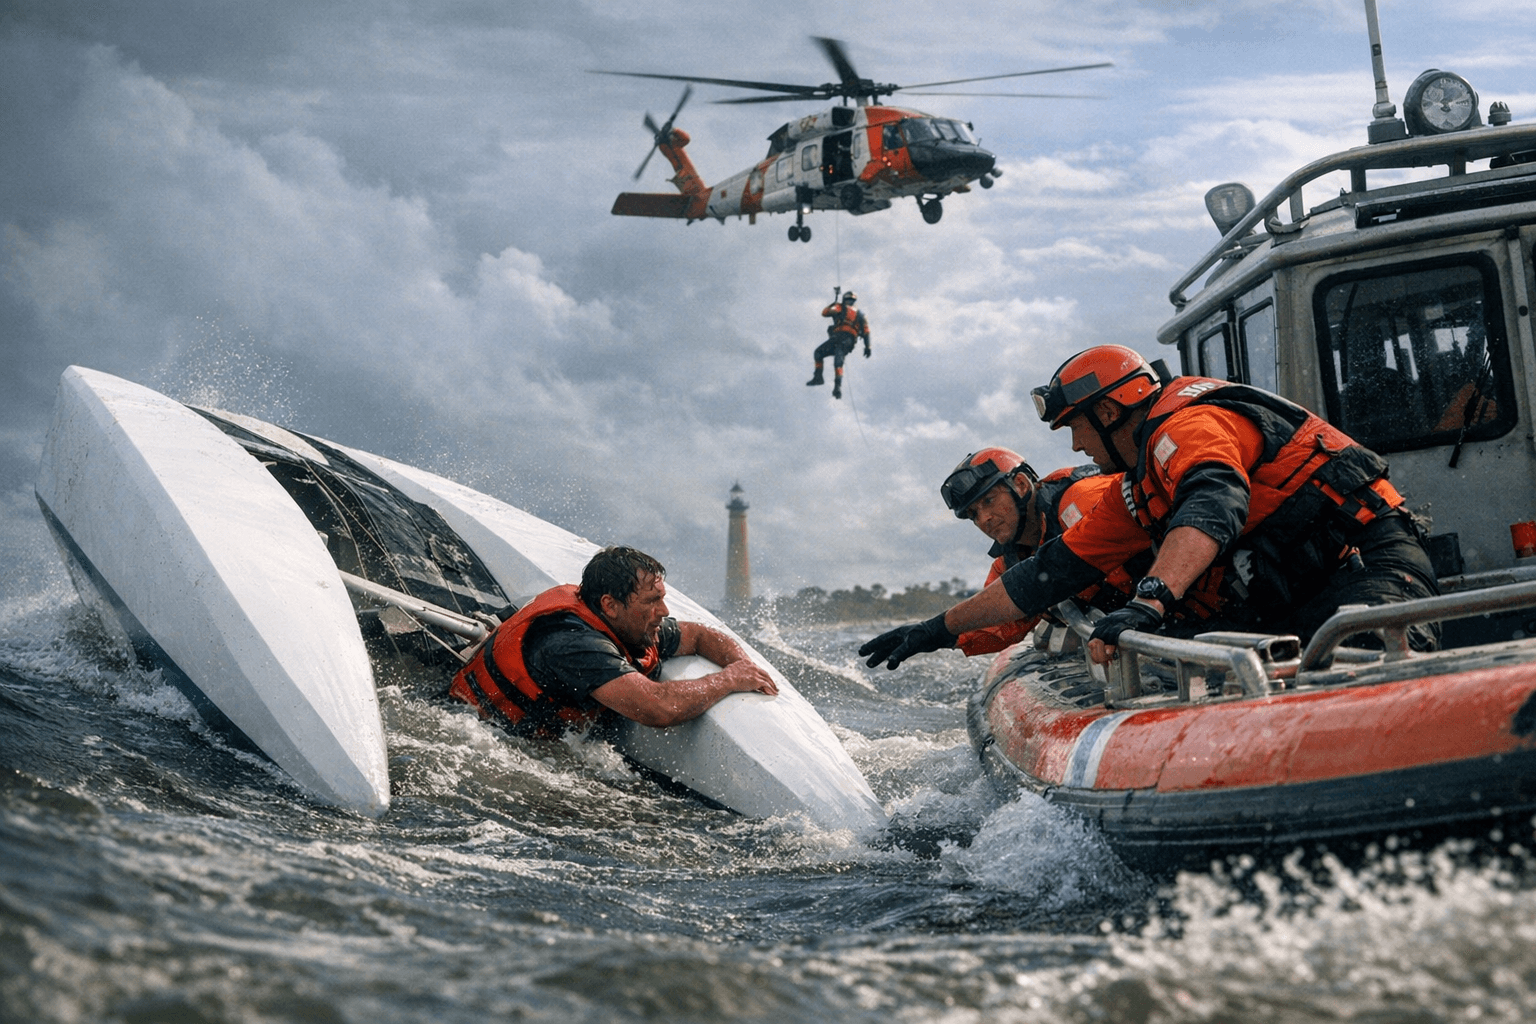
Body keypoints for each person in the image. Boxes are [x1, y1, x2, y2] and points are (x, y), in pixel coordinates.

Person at [860, 344, 1439, 671]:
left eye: (1077, 428)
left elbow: (1214, 500)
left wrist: (1151, 600)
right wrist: (933, 630)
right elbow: (1047, 574)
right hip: (1291, 590)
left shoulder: (1189, 427)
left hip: (1362, 566)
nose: (1075, 448)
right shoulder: (1133, 490)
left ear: (1109, 414)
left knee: (1368, 674)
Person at [450, 546, 777, 737]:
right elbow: (657, 707)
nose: (663, 611)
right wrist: (729, 680)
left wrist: (740, 663)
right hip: (471, 735)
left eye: (662, 598)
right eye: (652, 601)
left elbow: (701, 635)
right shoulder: (572, 644)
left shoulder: (630, 623)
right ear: (610, 605)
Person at [940, 447, 1138, 656]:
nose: (983, 519)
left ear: (1021, 485)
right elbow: (998, 625)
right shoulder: (1011, 564)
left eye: (989, 501)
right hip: (1125, 639)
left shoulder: (1083, 499)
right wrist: (934, 635)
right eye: (973, 514)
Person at [807, 291, 870, 399]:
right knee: (838, 361)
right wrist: (867, 347)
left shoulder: (840, 307)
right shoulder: (860, 314)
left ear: (844, 300)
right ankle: (837, 387)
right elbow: (866, 332)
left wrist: (833, 303)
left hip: (838, 337)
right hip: (849, 342)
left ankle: (819, 378)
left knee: (818, 353)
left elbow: (825, 312)